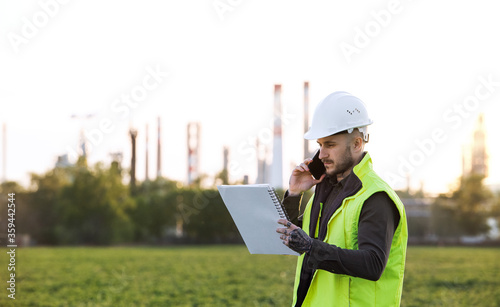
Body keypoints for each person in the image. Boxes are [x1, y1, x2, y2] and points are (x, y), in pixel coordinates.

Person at [276, 91, 408, 306]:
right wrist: (294, 193)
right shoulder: (324, 190)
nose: (321, 155)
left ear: (357, 144)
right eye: (320, 145)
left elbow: (373, 264)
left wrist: (311, 247)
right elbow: (290, 238)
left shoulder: (375, 197)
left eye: (330, 145)